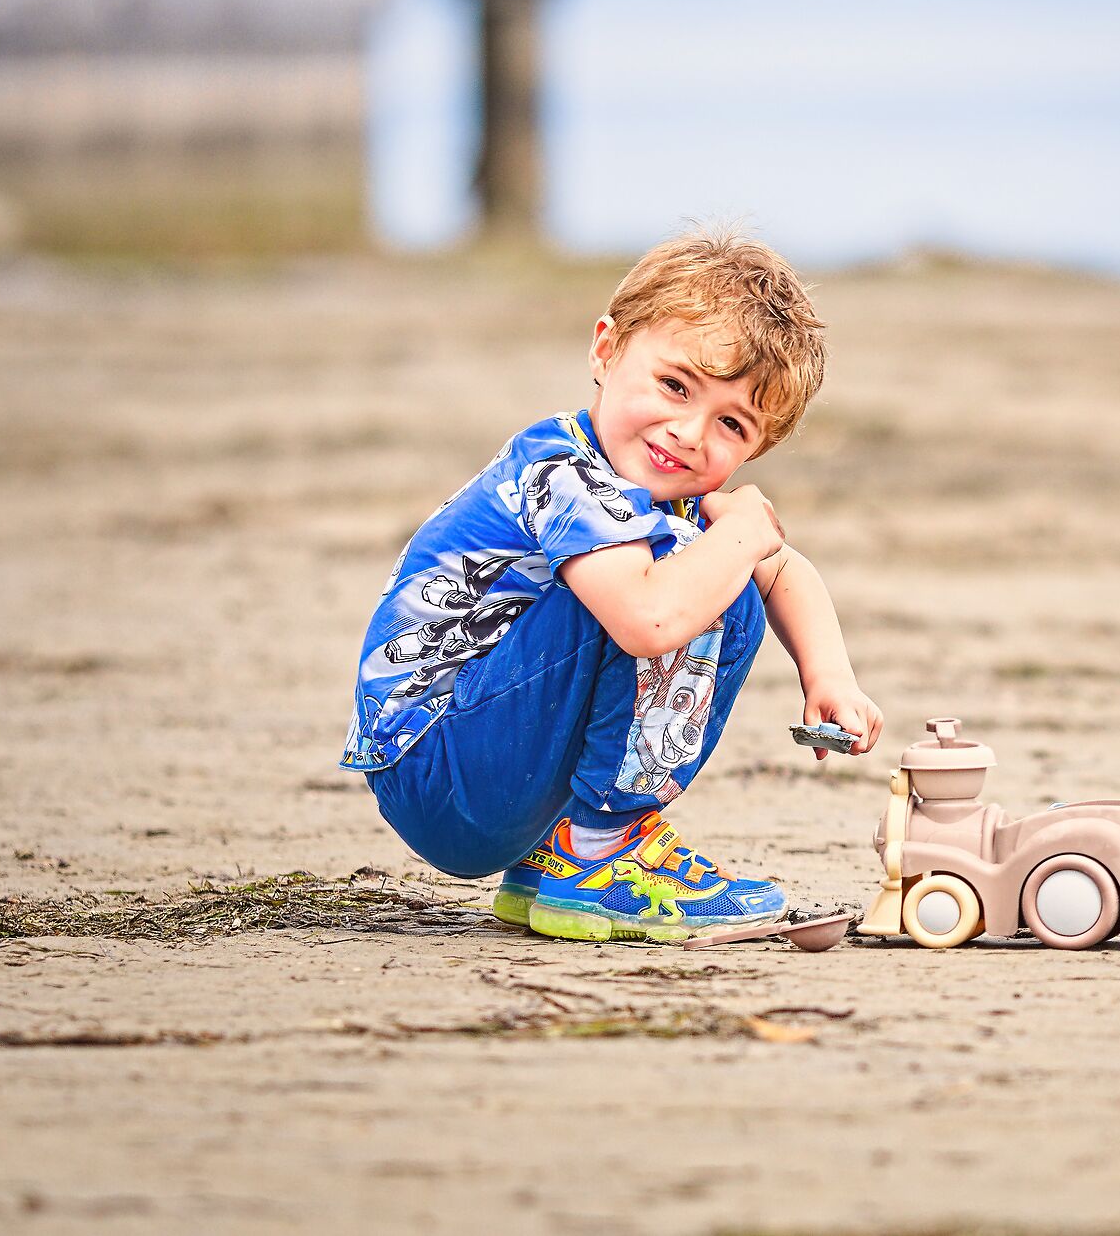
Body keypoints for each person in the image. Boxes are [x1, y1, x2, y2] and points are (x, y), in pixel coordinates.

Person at [339, 226, 882, 943]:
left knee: (721, 573)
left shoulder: (667, 496)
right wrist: (741, 533)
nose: (688, 431)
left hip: (487, 776)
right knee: (703, 584)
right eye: (675, 384)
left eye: (731, 424)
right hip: (440, 759)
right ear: (605, 349)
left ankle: (558, 855)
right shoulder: (569, 474)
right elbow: (647, 620)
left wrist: (829, 673)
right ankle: (603, 848)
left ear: (759, 446)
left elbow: (784, 569)